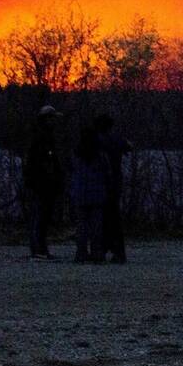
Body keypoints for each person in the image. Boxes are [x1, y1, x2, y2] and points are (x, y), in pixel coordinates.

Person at [22, 106, 62, 259]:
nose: (55, 122)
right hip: (40, 184)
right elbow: (41, 163)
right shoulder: (42, 137)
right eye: (52, 118)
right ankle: (38, 250)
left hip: (41, 183)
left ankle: (40, 249)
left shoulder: (43, 136)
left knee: (42, 217)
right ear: (46, 119)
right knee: (40, 217)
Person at [69, 121, 110, 263]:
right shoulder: (100, 155)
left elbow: (72, 171)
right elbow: (107, 172)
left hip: (80, 194)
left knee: (81, 227)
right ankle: (97, 253)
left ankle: (81, 253)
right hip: (97, 195)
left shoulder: (76, 154)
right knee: (96, 227)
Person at [94, 113, 131, 264]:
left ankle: (102, 249)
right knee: (114, 218)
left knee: (102, 218)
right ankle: (118, 251)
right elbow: (128, 146)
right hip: (115, 183)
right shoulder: (117, 140)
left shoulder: (97, 141)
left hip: (101, 183)